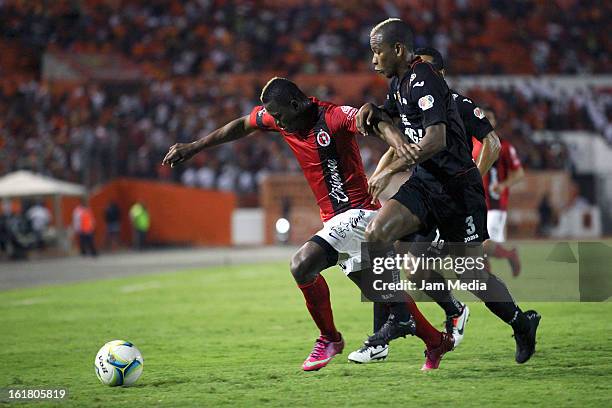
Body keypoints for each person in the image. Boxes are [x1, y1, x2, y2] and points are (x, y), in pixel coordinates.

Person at [162, 77, 454, 371]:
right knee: (386, 295)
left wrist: (400, 146)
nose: (277, 122)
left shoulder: (333, 117)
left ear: (295, 104)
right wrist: (195, 146)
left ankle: (330, 338)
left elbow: (375, 121)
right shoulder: (281, 119)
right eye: (273, 117)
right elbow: (242, 124)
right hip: (339, 220)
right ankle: (436, 341)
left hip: (357, 213)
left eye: (279, 115)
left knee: (302, 264)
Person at [354, 18, 540, 366]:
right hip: (426, 184)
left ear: (397, 50)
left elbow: (437, 141)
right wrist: (371, 112)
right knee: (378, 235)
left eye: (377, 52)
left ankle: (521, 322)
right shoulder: (399, 85)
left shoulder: (425, 81)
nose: (373, 60)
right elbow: (389, 123)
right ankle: (400, 319)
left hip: (458, 192)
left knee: (472, 274)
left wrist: (391, 168)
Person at [473, 108, 525, 276]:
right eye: (483, 116)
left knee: (485, 244)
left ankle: (510, 255)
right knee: (476, 246)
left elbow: (519, 173)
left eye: (490, 117)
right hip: (475, 201)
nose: (486, 120)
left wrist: (502, 186)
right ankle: (487, 281)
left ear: (495, 121)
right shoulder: (472, 142)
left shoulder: (504, 146)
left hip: (495, 203)